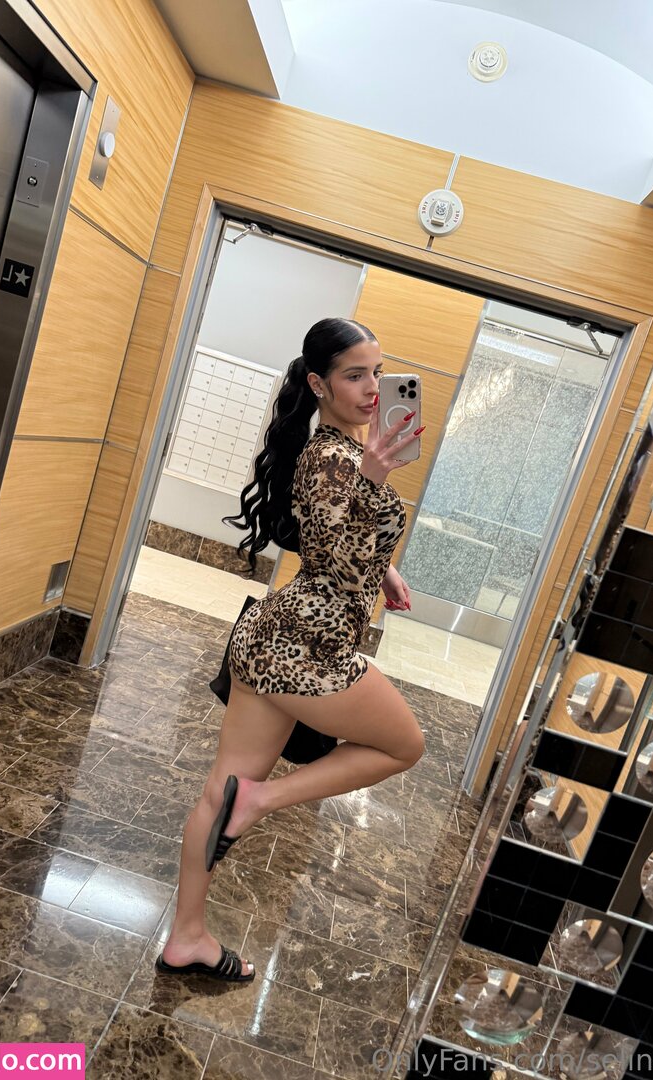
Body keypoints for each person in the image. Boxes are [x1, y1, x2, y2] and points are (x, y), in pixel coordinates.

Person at [156, 317, 427, 982]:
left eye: (377, 372)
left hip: (271, 642)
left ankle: (186, 937)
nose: (372, 388)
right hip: (308, 648)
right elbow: (337, 557)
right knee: (404, 746)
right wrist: (374, 482)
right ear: (319, 384)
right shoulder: (336, 458)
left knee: (218, 794)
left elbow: (327, 539)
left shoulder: (334, 452)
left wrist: (384, 568)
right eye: (354, 375)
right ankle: (263, 800)